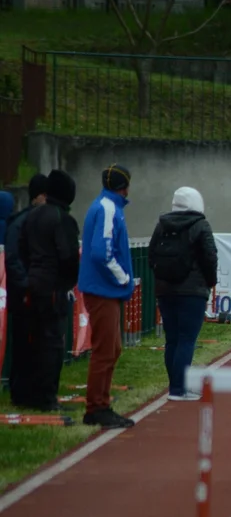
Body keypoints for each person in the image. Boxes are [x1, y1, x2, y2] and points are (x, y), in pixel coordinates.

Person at [77, 164, 136, 430]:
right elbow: (102, 253)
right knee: (105, 350)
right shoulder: (109, 208)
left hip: (102, 288)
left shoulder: (104, 205)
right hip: (103, 289)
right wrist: (123, 278)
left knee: (112, 349)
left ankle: (100, 404)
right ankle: (97, 407)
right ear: (124, 186)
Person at [17, 170, 81, 412]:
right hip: (53, 286)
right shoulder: (62, 219)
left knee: (34, 340)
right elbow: (68, 257)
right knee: (53, 342)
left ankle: (32, 393)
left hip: (33, 283)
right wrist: (66, 284)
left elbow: (23, 249)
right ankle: (47, 396)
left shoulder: (33, 216)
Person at [149, 187, 218, 401]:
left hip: (165, 290)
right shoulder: (200, 225)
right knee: (187, 340)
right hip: (193, 290)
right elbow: (210, 256)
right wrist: (210, 281)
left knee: (172, 339)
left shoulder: (162, 225)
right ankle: (179, 389)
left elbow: (151, 255)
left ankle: (174, 386)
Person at [4, 174, 49, 403]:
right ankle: (21, 393)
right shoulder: (22, 222)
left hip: (32, 291)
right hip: (24, 294)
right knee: (24, 343)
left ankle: (31, 391)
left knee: (35, 343)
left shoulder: (27, 220)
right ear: (39, 196)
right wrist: (27, 285)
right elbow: (12, 258)